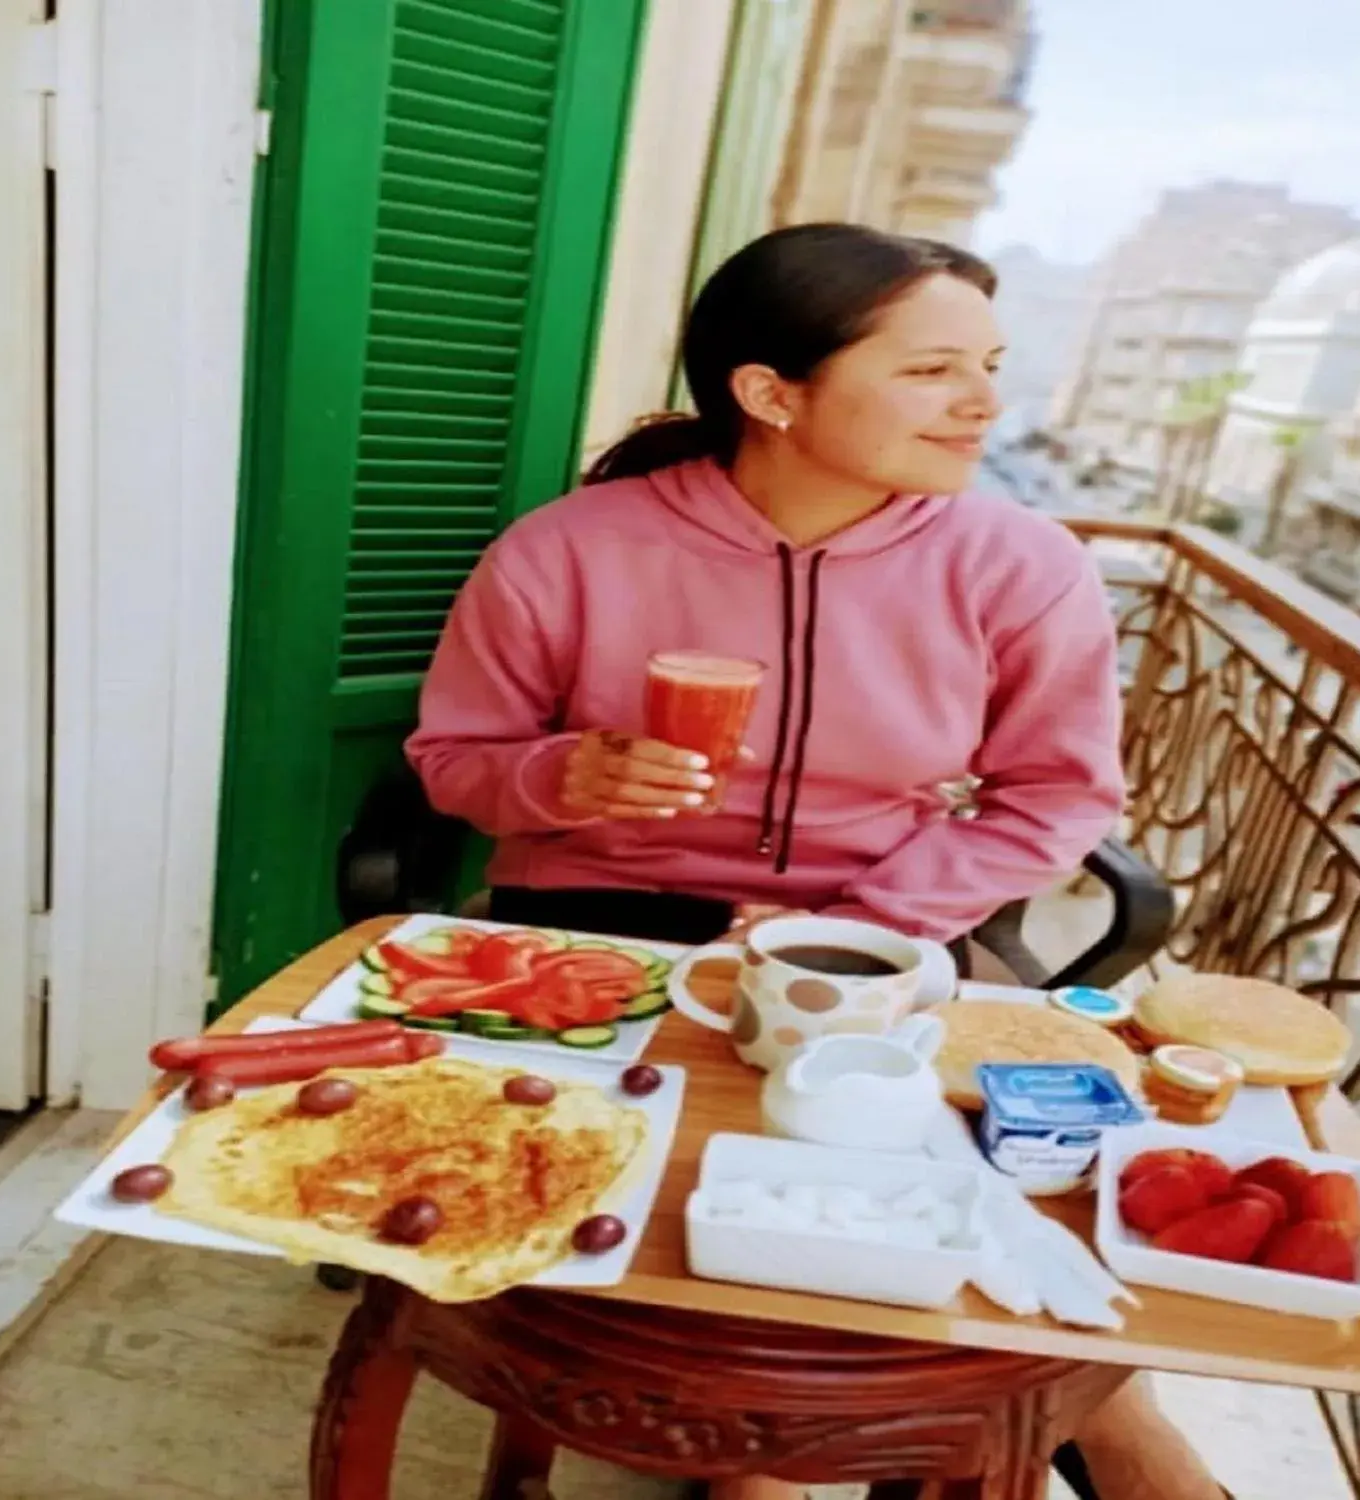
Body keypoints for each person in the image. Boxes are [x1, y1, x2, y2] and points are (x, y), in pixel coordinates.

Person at [406, 223, 1227, 1500]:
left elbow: (1057, 795)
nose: (982, 405)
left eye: (990, 366)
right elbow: (453, 758)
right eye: (930, 370)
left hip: (886, 928)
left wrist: (867, 921)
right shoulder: (572, 548)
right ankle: (760, 1455)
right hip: (604, 926)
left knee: (1008, 1205)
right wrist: (554, 776)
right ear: (770, 393)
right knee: (686, 1203)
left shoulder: (1021, 565)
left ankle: (1098, 1425)